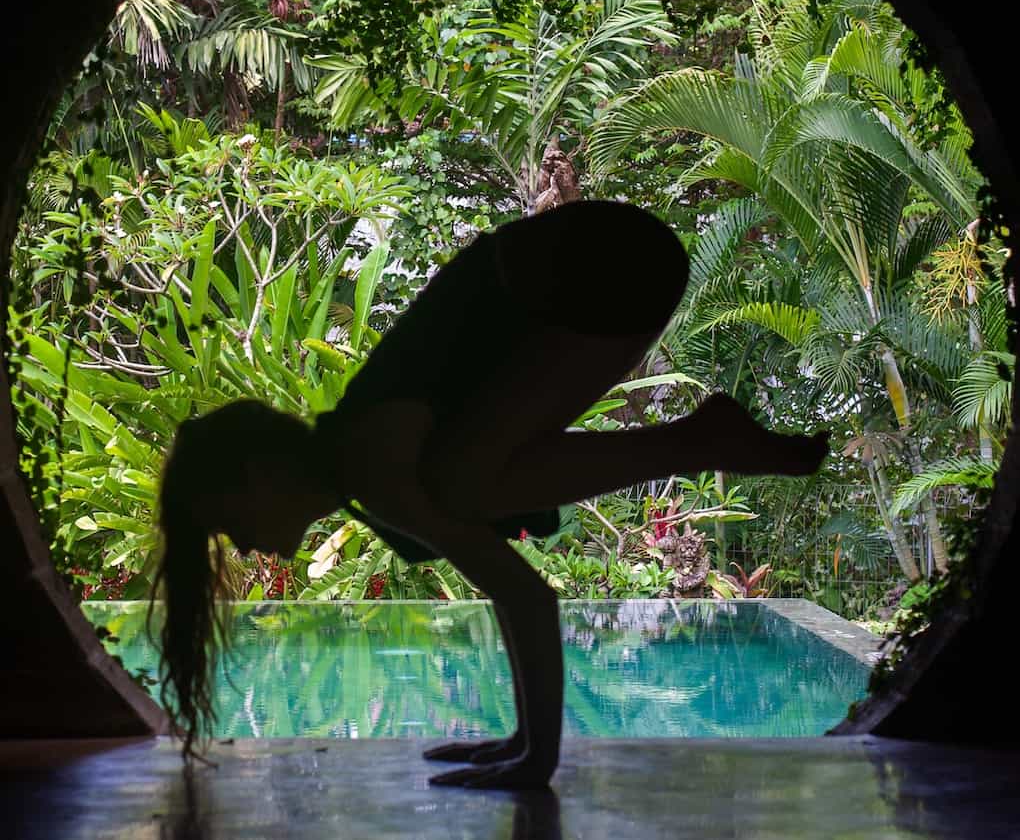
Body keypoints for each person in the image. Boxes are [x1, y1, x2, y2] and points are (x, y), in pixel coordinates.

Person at [151, 200, 828, 789]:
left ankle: (700, 439)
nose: (242, 544)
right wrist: (521, 741)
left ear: (257, 478)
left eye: (228, 524)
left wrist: (538, 761)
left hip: (605, 264)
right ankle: (700, 438)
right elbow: (513, 586)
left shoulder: (372, 465)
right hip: (612, 258)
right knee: (462, 485)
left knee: (459, 485)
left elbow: (527, 596)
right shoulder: (361, 450)